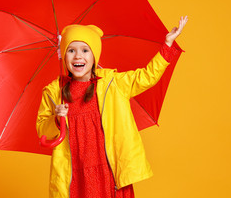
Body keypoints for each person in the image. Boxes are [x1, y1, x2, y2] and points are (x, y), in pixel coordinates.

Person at [37, 16, 188, 198]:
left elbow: (146, 77)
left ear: (94, 56)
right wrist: (56, 118)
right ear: (63, 54)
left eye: (85, 50)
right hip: (75, 176)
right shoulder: (54, 93)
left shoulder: (112, 83)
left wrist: (167, 45)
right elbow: (43, 131)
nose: (78, 56)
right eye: (71, 50)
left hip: (109, 170)